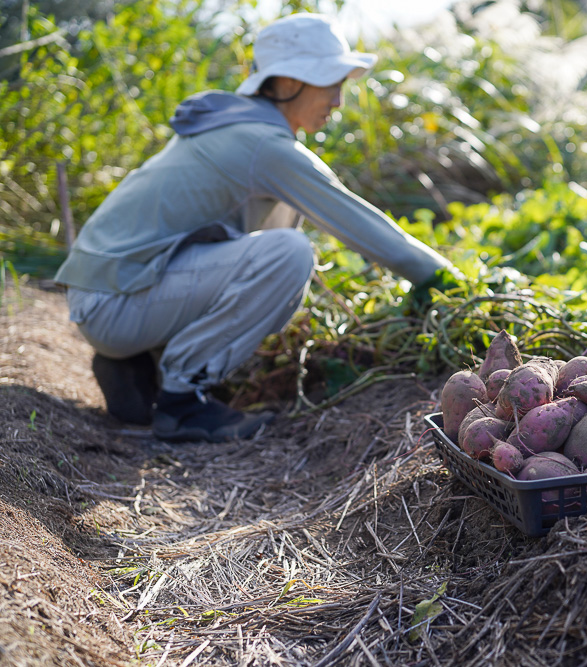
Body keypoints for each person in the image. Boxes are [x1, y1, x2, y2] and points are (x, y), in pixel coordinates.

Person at [53, 13, 457, 443]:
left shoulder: (231, 123)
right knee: (288, 254)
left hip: (110, 294)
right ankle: (182, 401)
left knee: (258, 236)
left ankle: (139, 365)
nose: (339, 101)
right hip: (114, 304)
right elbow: (367, 229)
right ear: (285, 84)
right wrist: (448, 281)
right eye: (331, 83)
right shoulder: (262, 144)